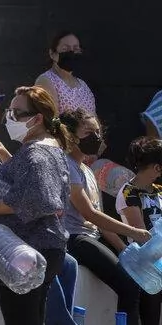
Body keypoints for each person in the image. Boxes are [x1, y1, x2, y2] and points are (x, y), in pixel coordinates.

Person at [0, 86, 72, 325]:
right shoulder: (45, 149)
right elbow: (34, 183)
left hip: (26, 250)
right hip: (39, 249)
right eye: (9, 111)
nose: (9, 118)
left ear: (37, 119)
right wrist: (9, 160)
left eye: (17, 113)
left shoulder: (36, 153)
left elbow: (38, 198)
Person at [59, 108, 152, 325]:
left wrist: (124, 249)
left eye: (98, 132)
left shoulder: (88, 171)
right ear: (71, 135)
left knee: (137, 276)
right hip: (74, 238)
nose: (96, 138)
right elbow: (89, 214)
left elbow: (99, 221)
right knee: (128, 284)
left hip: (91, 236)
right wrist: (134, 232)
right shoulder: (66, 165)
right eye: (89, 132)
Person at [116, 136, 162, 325]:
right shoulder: (129, 192)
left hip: (158, 265)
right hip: (139, 266)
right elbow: (141, 233)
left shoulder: (159, 190)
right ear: (157, 168)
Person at [35, 31, 95, 114]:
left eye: (76, 49)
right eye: (65, 49)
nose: (71, 52)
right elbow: (51, 120)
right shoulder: (46, 81)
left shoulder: (83, 85)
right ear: (52, 53)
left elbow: (94, 118)